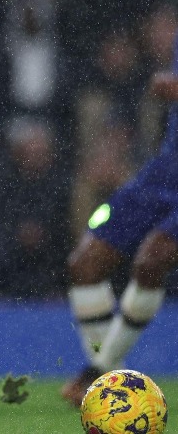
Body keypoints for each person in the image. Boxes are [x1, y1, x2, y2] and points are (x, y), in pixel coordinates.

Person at [61, 35, 178, 406]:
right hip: (166, 169)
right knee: (85, 263)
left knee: (152, 259)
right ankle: (107, 374)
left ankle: (102, 374)